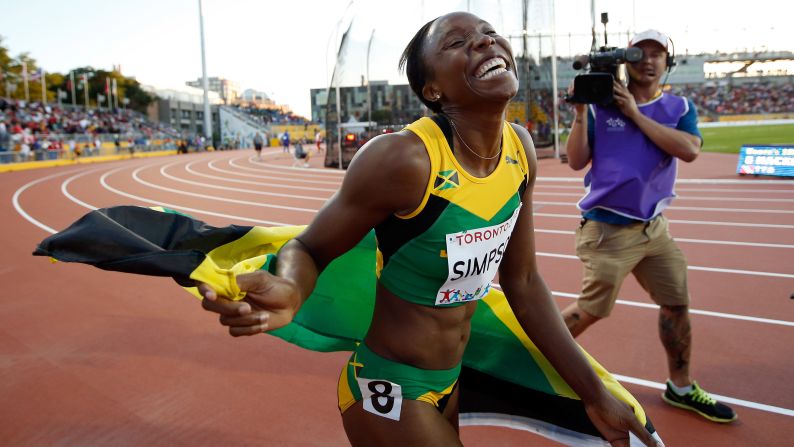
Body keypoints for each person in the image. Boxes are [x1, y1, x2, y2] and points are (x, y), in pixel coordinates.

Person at [198, 12, 660, 446]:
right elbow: (311, 247)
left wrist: (594, 393)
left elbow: (521, 281)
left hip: (451, 380)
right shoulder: (404, 160)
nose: (484, 40)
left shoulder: (520, 151)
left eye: (488, 31)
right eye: (457, 43)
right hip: (388, 385)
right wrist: (293, 290)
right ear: (433, 89)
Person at [561, 29, 737, 424]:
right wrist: (578, 112)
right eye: (640, 52)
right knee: (591, 310)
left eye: (657, 54)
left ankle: (681, 387)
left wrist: (635, 114)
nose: (648, 60)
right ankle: (530, 359)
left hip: (654, 229)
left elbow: (689, 150)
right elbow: (575, 161)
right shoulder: (600, 107)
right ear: (627, 59)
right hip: (607, 230)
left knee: (676, 302)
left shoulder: (678, 107)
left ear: (667, 62)